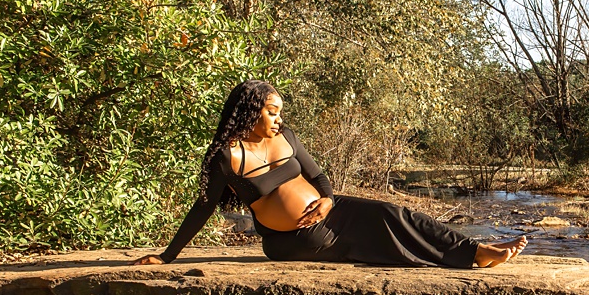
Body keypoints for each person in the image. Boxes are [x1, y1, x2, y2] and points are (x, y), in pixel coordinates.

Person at [132, 80, 527, 268]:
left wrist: (327, 200)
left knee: (393, 214)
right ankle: (467, 258)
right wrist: (168, 256)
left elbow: (320, 179)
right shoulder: (226, 157)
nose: (278, 118)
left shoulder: (285, 136)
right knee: (382, 245)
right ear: (250, 111)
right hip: (291, 241)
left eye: (279, 112)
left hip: (330, 213)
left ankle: (473, 251)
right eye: (272, 111)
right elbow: (203, 208)